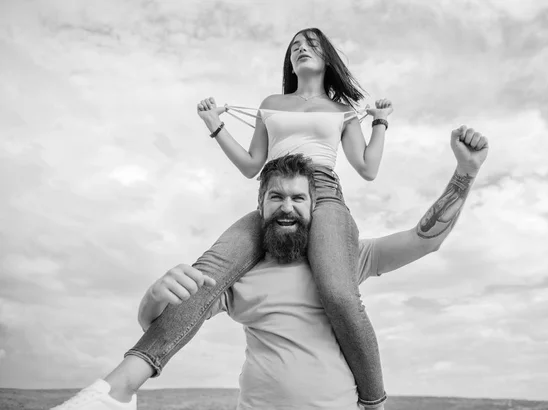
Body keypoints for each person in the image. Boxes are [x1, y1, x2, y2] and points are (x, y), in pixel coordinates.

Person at [52, 27, 395, 410]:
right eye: (295, 46)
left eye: (310, 44)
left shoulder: (341, 110)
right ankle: (114, 390)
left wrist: (379, 122)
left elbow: (367, 168)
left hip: (324, 197)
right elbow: (252, 166)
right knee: (207, 273)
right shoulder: (271, 103)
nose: (301, 49)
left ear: (326, 56)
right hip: (275, 196)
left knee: (337, 292)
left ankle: (373, 401)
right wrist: (214, 126)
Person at [52, 126, 488, 409]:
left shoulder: (349, 260)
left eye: (299, 199)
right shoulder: (240, 275)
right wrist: (153, 295)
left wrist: (464, 173)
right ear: (260, 206)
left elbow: (424, 240)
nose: (287, 207)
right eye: (276, 197)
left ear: (316, 209)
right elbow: (171, 323)